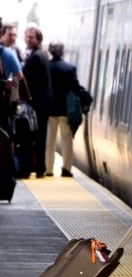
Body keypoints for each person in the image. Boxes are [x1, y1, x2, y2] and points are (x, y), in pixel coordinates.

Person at [45, 41, 82, 177]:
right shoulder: (70, 68)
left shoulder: (46, 67)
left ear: (49, 51)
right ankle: (66, 169)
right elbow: (76, 87)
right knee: (67, 140)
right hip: (66, 110)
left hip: (49, 110)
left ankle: (48, 169)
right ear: (62, 52)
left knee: (49, 140)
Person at [22, 24, 52, 178]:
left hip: (38, 104)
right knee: (41, 136)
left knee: (36, 137)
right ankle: (40, 167)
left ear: (38, 39)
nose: (27, 39)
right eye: (26, 36)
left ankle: (37, 167)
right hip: (43, 103)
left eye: (31, 37)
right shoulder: (42, 54)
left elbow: (23, 79)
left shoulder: (35, 57)